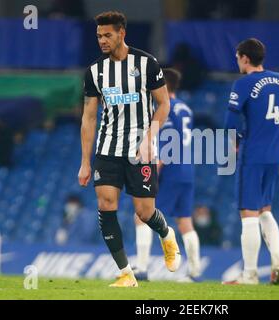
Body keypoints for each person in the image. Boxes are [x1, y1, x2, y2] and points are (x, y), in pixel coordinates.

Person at [78, 11, 181, 288]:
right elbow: (89, 117)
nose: (102, 40)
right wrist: (85, 161)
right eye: (99, 35)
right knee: (106, 204)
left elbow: (164, 105)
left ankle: (166, 233)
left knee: (144, 213)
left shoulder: (146, 63)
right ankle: (126, 273)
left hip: (140, 150)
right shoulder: (94, 72)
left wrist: (150, 137)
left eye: (107, 35)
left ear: (121, 33)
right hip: (107, 148)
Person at [224, 38, 279, 285]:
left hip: (252, 154)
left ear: (244, 57)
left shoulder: (243, 84)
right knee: (265, 209)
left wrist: (233, 142)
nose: (237, 62)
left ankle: (250, 275)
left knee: (249, 214)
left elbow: (230, 122)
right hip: (274, 154)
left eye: (237, 58)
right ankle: (278, 264)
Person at [133, 68, 201, 281]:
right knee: (185, 221)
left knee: (141, 216)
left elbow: (169, 145)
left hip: (171, 170)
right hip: (188, 170)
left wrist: (154, 171)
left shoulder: (166, 109)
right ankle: (194, 272)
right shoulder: (186, 109)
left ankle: (142, 268)